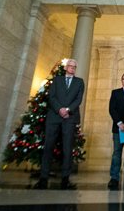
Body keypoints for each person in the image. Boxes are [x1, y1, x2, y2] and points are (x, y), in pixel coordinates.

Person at [34, 59, 84, 190]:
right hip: (54, 117)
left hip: (70, 118)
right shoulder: (57, 80)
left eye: (74, 67)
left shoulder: (79, 82)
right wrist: (60, 109)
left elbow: (78, 99)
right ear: (66, 67)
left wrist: (67, 110)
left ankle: (65, 179)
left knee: (67, 149)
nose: (72, 68)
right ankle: (43, 178)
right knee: (48, 146)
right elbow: (51, 97)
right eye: (70, 66)